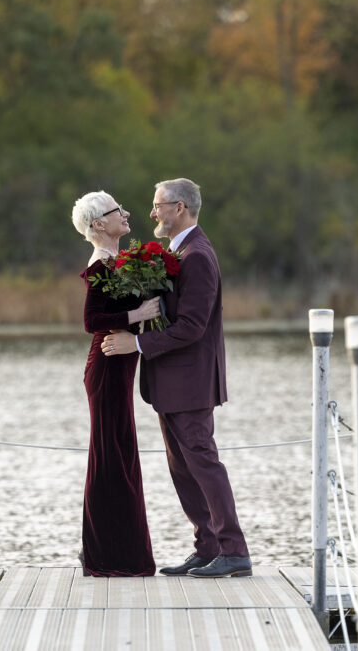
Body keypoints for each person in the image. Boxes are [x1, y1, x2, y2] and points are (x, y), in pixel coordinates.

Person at [100, 178, 251, 578]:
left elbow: (193, 326)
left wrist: (138, 344)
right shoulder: (177, 251)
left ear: (178, 208)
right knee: (183, 468)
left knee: (203, 463)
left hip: (190, 382)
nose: (152, 213)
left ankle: (234, 550)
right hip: (171, 384)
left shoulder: (197, 254)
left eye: (157, 205)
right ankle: (208, 547)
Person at [71, 190, 161, 577]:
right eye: (116, 210)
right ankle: (108, 559)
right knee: (111, 460)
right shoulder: (100, 266)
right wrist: (138, 311)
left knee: (119, 455)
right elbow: (92, 321)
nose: (126, 213)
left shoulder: (118, 261)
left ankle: (114, 555)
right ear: (98, 225)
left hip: (120, 365)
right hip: (107, 366)